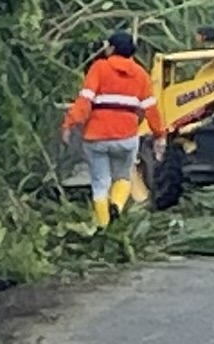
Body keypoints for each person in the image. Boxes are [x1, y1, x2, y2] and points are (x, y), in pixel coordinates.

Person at [61, 29, 160, 227]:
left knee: (100, 183)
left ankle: (104, 226)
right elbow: (151, 109)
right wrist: (160, 134)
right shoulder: (141, 75)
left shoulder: (99, 68)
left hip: (96, 137)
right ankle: (116, 205)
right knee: (123, 177)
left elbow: (85, 101)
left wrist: (69, 124)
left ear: (112, 48)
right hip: (126, 138)